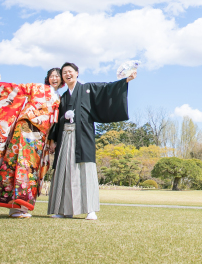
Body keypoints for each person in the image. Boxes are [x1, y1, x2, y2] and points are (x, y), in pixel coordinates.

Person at [47, 62, 136, 220]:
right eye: (64, 73)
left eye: (70, 71)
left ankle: (91, 210)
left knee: (86, 170)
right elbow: (54, 120)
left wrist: (126, 81)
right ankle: (63, 210)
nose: (67, 75)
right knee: (64, 170)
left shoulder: (88, 88)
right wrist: (52, 140)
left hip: (83, 136)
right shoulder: (62, 97)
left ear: (77, 73)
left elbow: (107, 89)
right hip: (65, 137)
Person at [0, 68, 62, 218]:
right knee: (20, 163)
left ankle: (19, 207)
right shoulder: (37, 87)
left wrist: (51, 140)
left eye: (58, 76)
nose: (55, 78)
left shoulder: (59, 97)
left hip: (41, 136)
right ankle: (16, 207)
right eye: (52, 76)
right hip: (26, 128)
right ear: (48, 78)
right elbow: (15, 88)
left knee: (32, 169)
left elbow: (55, 122)